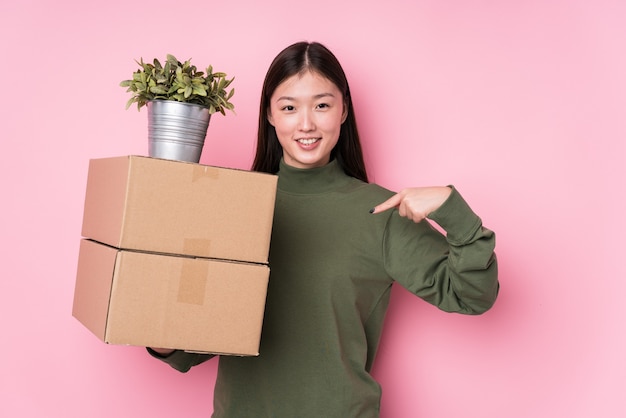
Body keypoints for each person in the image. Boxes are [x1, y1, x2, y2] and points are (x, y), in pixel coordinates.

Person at [148, 41, 499, 417]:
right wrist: (162, 335)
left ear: (343, 110)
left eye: (322, 105)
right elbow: (195, 341)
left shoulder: (381, 213)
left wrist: (452, 209)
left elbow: (473, 295)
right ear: (269, 114)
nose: (306, 124)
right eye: (289, 107)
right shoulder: (233, 206)